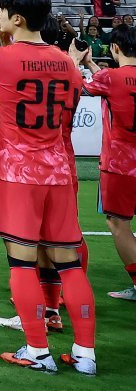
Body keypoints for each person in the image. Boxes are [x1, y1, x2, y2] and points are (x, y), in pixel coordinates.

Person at [0, 0, 95, 375]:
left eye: (0, 12)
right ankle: (86, 353)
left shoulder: (2, 57)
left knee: (21, 264)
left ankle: (37, 350)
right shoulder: (66, 62)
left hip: (16, 173)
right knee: (68, 264)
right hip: (59, 171)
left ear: (15, 18)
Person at [86, 24, 136, 300]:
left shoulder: (110, 77)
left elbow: (92, 85)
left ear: (115, 48)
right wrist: (92, 63)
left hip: (121, 164)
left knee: (118, 223)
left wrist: (82, 61)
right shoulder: (109, 77)